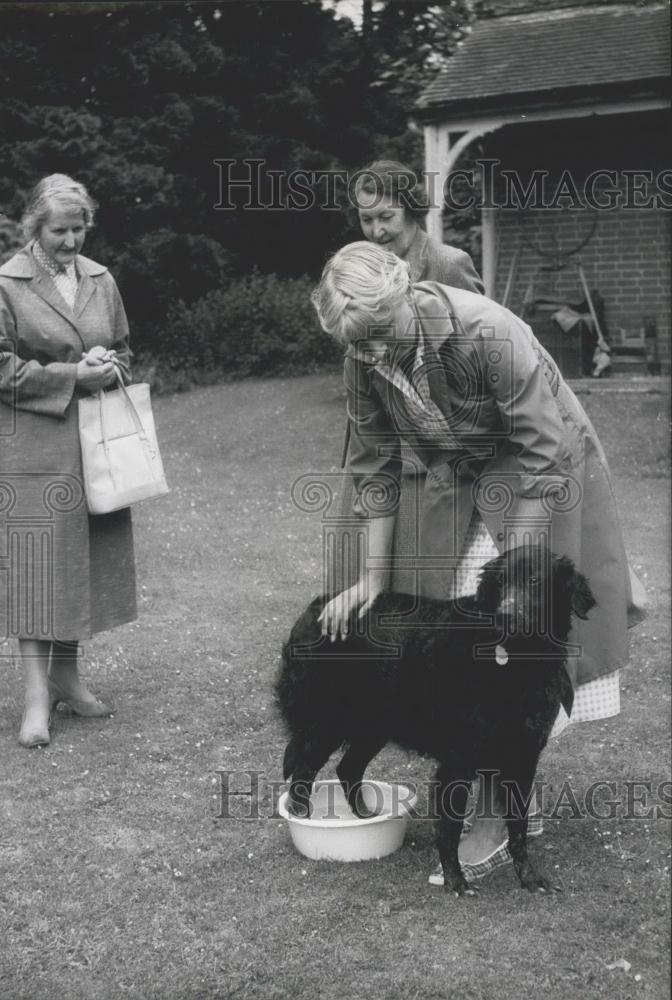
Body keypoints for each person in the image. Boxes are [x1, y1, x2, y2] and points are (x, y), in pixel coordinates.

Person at [312, 241, 646, 883]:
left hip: (542, 467)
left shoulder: (488, 331)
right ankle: (511, 800)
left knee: (515, 637)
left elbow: (542, 452)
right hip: (463, 476)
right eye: (356, 345)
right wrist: (373, 580)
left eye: (378, 334)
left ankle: (495, 822)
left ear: (404, 293)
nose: (370, 354)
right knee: (468, 642)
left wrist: (517, 573)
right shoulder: (364, 355)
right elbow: (375, 468)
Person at [0, 173, 137, 749]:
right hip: (31, 448)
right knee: (35, 564)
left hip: (91, 442)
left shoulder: (101, 279)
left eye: (79, 228)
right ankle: (35, 700)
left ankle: (66, 676)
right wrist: (74, 375)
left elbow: (124, 349)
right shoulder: (5, 285)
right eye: (59, 231)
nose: (71, 241)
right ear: (34, 228)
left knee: (78, 559)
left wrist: (108, 364)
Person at [352, 159, 484, 292]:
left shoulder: (450, 264)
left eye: (386, 217)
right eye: (367, 220)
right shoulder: (363, 271)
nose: (376, 232)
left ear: (411, 211)